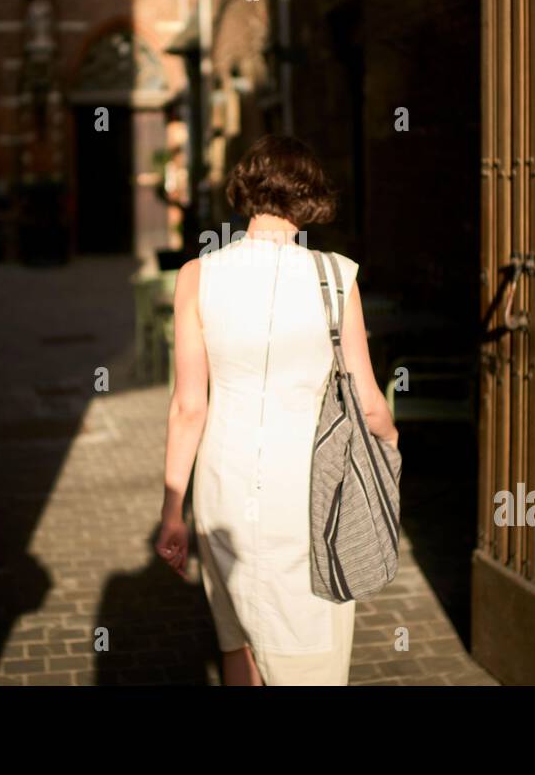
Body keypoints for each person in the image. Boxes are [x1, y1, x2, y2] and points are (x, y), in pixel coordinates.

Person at [154, 134, 399, 685]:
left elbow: (188, 406)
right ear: (310, 198)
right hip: (308, 490)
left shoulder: (198, 276)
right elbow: (367, 402)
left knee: (237, 641)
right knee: (307, 644)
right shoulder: (338, 277)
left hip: (221, 485)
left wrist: (173, 510)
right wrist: (390, 443)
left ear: (246, 190)